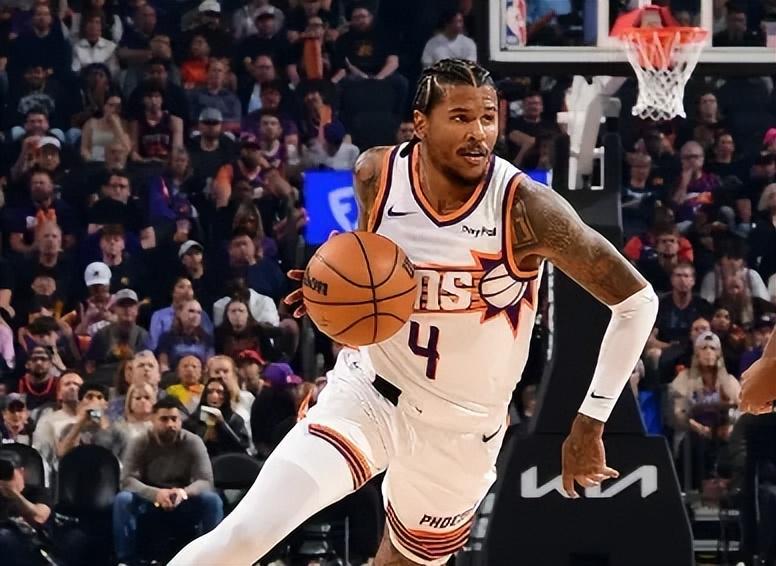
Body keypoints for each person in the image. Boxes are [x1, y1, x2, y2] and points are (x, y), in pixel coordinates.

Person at [170, 59, 658, 566]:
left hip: (461, 430)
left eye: (488, 117)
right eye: (461, 117)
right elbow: (369, 287)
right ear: (421, 123)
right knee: (245, 535)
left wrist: (590, 422)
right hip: (366, 397)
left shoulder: (526, 208)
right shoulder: (376, 175)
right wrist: (331, 301)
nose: (478, 133)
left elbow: (637, 301)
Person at [113, 397, 222, 565]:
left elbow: (205, 480)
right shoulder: (140, 441)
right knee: (123, 499)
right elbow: (127, 480)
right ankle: (126, 560)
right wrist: (155, 494)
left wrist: (184, 492)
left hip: (182, 497)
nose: (170, 424)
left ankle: (213, 558)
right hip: (150, 498)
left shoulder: (193, 441)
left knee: (212, 499)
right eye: (164, 419)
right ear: (152, 420)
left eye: (174, 419)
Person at [0, 450, 53, 566]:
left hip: (29, 543)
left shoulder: (37, 492)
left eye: (7, 471)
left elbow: (40, 516)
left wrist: (14, 494)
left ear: (21, 472)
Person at [183, 377, 250, 457]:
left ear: (225, 396)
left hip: (228, 460)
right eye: (210, 392)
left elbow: (242, 446)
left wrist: (222, 424)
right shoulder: (194, 419)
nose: (214, 396)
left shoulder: (235, 419)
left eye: (219, 392)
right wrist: (205, 434)